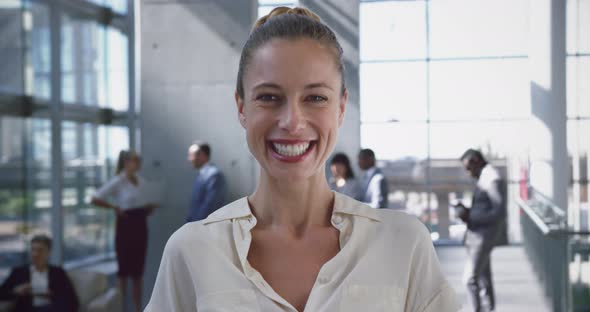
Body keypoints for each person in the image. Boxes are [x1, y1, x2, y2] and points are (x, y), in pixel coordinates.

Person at [145, 7, 459, 312]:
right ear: (242, 107)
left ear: (340, 107)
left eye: (315, 98)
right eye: (269, 97)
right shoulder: (192, 250)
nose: (292, 122)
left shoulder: (402, 244)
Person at [91, 150, 156, 312]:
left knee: (137, 273)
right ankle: (120, 308)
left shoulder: (141, 181)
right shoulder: (118, 181)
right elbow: (95, 198)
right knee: (124, 271)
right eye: (135, 160)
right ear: (126, 162)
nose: (138, 163)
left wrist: (149, 208)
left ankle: (138, 309)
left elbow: (146, 200)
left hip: (140, 225)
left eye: (139, 160)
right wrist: (114, 207)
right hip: (126, 226)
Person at [455, 149, 507, 312]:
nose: (468, 173)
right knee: (484, 278)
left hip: (483, 237)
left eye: (469, 168)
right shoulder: (485, 176)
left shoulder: (491, 178)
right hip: (477, 234)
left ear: (476, 161)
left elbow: (498, 212)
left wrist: (470, 217)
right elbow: (486, 207)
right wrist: (467, 212)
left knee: (469, 279)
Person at [0, 235, 79, 312]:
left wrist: (51, 294)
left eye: (40, 250)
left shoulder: (58, 273)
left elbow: (72, 301)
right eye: (33, 249)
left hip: (52, 309)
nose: (35, 254)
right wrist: (15, 291)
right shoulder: (19, 272)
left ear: (48, 252)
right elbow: (2, 294)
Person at [186, 142, 227, 222]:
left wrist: (197, 224)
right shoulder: (203, 174)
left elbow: (211, 204)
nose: (189, 159)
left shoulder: (214, 175)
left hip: (204, 226)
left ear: (202, 155)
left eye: (191, 155)